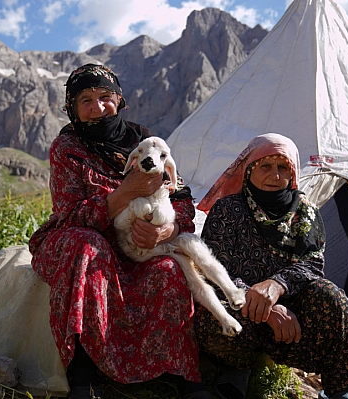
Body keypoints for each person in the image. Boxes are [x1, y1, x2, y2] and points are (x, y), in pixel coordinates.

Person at [28, 64, 211, 399]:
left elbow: (183, 202)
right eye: (86, 100)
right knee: (87, 246)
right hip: (81, 240)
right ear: (72, 107)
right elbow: (69, 215)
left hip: (137, 248)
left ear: (119, 100)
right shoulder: (67, 149)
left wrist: (166, 231)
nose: (98, 108)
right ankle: (82, 374)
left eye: (105, 97)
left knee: (170, 268)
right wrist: (124, 194)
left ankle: (178, 374)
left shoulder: (147, 144)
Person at [193, 133, 348, 399]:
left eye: (283, 167)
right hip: (240, 305)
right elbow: (215, 269)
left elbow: (312, 264)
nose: (275, 175)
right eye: (266, 166)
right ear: (248, 170)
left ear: (293, 172)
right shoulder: (227, 209)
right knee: (209, 315)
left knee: (333, 299)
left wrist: (277, 285)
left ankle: (340, 389)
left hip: (289, 316)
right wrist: (261, 305)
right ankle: (237, 367)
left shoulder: (304, 211)